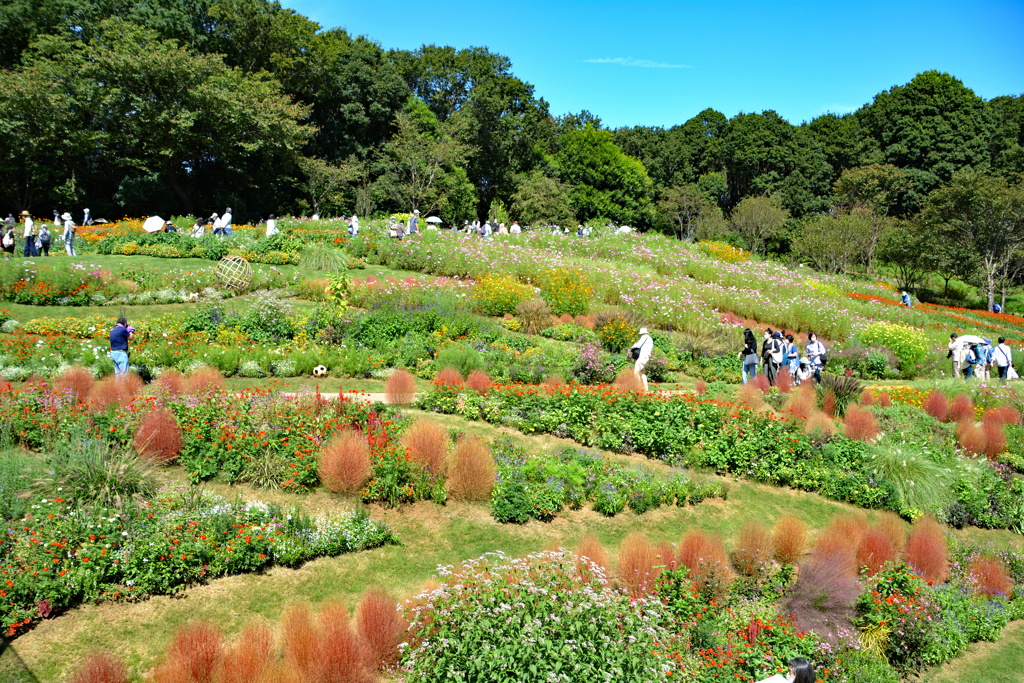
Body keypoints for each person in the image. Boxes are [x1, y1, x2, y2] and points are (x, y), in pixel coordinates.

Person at [629, 327, 654, 392]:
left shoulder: (644, 337)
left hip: (642, 356)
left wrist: (633, 346)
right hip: (646, 357)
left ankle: (639, 388)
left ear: (642, 334)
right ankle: (646, 389)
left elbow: (638, 345)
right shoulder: (650, 339)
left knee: (636, 372)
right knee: (642, 373)